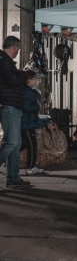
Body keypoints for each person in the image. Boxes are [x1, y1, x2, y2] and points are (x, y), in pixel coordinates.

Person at [0, 36, 31, 189]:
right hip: (10, 106)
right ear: (14, 47)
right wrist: (23, 74)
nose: (18, 51)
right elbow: (11, 80)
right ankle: (12, 177)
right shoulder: (4, 61)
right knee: (11, 142)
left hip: (13, 106)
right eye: (18, 48)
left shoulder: (5, 62)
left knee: (16, 143)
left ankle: (13, 178)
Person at [20, 70, 51, 175]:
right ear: (28, 81)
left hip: (26, 122)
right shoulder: (28, 93)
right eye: (34, 79)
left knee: (23, 144)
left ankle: (6, 161)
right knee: (32, 144)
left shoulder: (25, 92)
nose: (36, 81)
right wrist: (37, 106)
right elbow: (26, 107)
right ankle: (31, 167)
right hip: (27, 123)